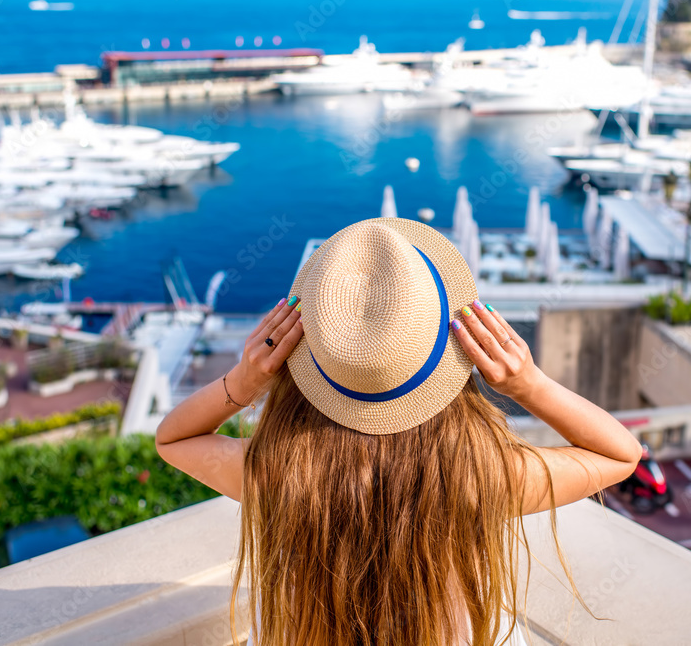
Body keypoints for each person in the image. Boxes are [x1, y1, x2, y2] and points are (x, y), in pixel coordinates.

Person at [156, 218, 642, 646]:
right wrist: (527, 384)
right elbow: (620, 454)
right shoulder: (481, 475)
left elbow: (173, 439)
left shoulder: (279, 473)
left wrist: (245, 380)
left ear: (308, 352)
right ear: (453, 353)